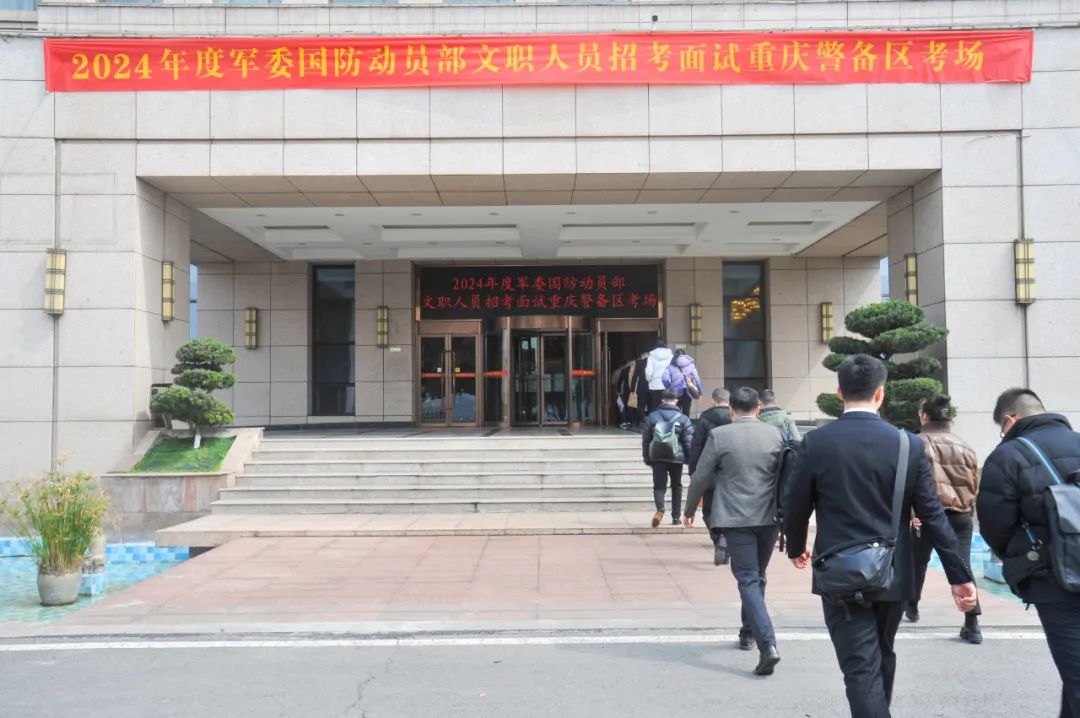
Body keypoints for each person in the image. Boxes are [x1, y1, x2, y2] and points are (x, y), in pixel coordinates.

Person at [784, 355, 978, 718]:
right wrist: (960, 575)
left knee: (860, 668)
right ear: (880, 394)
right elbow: (933, 515)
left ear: (839, 392)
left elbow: (795, 506)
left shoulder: (816, 443)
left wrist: (796, 547)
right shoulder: (908, 445)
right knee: (882, 652)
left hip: (839, 570)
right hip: (893, 571)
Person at [978, 388, 1080, 717]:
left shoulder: (1008, 456)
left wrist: (1026, 558)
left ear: (1010, 420)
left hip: (1054, 579)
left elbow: (995, 525)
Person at [685, 386, 783, 675]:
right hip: (769, 518)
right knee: (757, 577)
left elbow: (701, 476)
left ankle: (768, 644)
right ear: (759, 408)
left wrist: (689, 510)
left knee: (749, 579)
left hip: (736, 518)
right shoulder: (774, 434)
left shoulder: (720, 435)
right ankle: (748, 632)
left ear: (731, 410)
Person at [906, 394, 983, 643]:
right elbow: (973, 484)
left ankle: (912, 606)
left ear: (924, 417)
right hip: (961, 515)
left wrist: (912, 514)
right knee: (963, 565)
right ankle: (972, 624)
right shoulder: (965, 446)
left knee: (917, 561)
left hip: (928, 515)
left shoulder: (916, 444)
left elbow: (911, 483)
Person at [688, 387, 732, 565]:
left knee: (709, 511)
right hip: (732, 472)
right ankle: (726, 538)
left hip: (709, 471)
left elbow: (696, 445)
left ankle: (718, 537)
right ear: (729, 401)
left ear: (713, 401)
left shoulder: (705, 418)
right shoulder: (735, 417)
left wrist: (693, 471)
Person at [642, 389, 694, 528]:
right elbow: (688, 441)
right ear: (676, 400)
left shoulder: (652, 417)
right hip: (676, 458)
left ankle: (660, 509)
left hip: (658, 457)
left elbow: (646, 440)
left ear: (662, 400)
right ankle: (676, 517)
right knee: (676, 486)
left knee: (659, 486)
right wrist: (690, 459)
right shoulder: (683, 419)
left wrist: (647, 458)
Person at [644, 339, 674, 414]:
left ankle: (656, 420)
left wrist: (649, 380)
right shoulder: (670, 356)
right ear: (665, 345)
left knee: (655, 406)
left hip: (654, 385)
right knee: (668, 406)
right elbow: (673, 370)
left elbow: (649, 371)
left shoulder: (651, 356)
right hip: (667, 384)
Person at [671, 349, 703, 416]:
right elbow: (697, 379)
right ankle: (685, 422)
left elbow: (665, 379)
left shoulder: (672, 364)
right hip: (688, 390)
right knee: (686, 412)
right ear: (685, 355)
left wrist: (669, 387)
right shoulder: (691, 364)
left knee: (675, 413)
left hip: (675, 391)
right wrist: (700, 392)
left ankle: (677, 423)